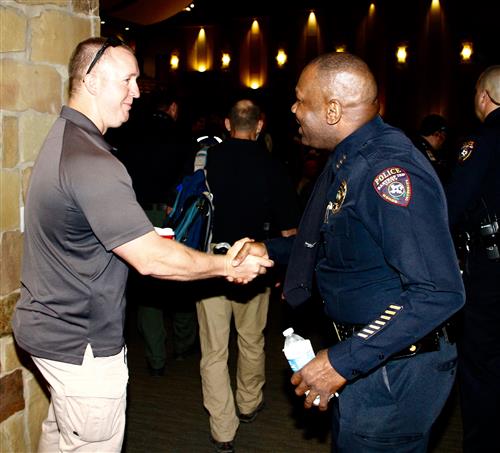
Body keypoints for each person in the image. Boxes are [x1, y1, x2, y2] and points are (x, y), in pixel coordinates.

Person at [10, 36, 272, 453]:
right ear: (92, 80)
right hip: (82, 347)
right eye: (128, 79)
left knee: (61, 438)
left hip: (50, 333)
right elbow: (150, 260)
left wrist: (145, 239)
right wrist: (227, 265)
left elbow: (88, 234)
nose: (137, 91)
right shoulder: (94, 162)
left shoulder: (65, 136)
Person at [234, 52, 465, 452]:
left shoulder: (385, 170)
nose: (293, 109)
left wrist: (341, 361)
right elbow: (337, 242)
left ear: (333, 109)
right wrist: (268, 248)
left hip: (393, 369)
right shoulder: (351, 158)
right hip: (372, 360)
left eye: (301, 100)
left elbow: (438, 292)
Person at [196, 99, 300, 453]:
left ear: (228, 124)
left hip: (210, 264)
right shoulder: (273, 167)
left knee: (213, 349)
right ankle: (249, 402)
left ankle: (223, 428)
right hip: (255, 264)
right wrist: (289, 276)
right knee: (251, 338)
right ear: (259, 126)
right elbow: (290, 233)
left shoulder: (205, 161)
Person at [445, 65, 500, 453]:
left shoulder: (483, 141)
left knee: (480, 364)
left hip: (492, 272)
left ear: (483, 97)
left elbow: (452, 206)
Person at [410, 113, 451, 182]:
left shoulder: (413, 144)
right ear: (438, 134)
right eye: (444, 135)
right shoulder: (424, 151)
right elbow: (441, 177)